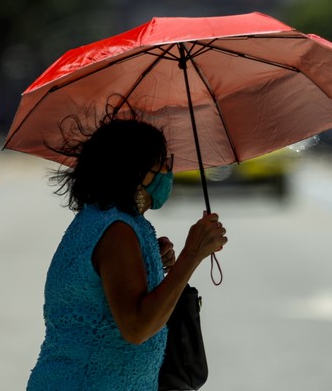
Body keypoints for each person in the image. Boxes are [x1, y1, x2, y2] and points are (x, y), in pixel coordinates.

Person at [26, 116, 228, 390]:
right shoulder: (117, 231)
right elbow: (137, 327)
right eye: (162, 163)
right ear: (134, 172)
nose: (168, 172)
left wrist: (150, 263)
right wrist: (191, 254)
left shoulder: (109, 220)